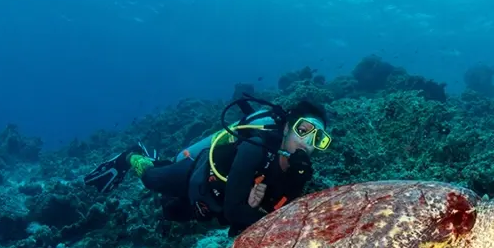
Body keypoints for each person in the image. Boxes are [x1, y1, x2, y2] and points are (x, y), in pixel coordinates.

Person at [84, 95, 331, 236]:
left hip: (211, 207)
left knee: (174, 213)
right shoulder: (256, 147)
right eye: (303, 130)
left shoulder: (299, 174)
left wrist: (257, 207)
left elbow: (261, 217)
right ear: (287, 128)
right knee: (151, 180)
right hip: (198, 175)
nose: (307, 143)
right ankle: (132, 156)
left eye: (318, 139)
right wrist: (256, 212)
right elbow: (238, 214)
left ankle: (158, 162)